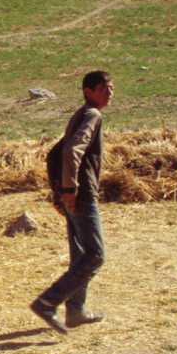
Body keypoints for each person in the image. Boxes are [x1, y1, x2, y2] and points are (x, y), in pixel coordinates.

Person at [30, 70, 114, 334]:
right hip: (81, 193)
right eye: (103, 88)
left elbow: (60, 151)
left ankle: (75, 311)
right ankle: (47, 302)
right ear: (88, 92)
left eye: (111, 88)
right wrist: (69, 188)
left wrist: (63, 190)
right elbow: (72, 149)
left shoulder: (82, 113)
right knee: (95, 256)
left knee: (80, 253)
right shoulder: (92, 115)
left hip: (73, 192)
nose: (109, 93)